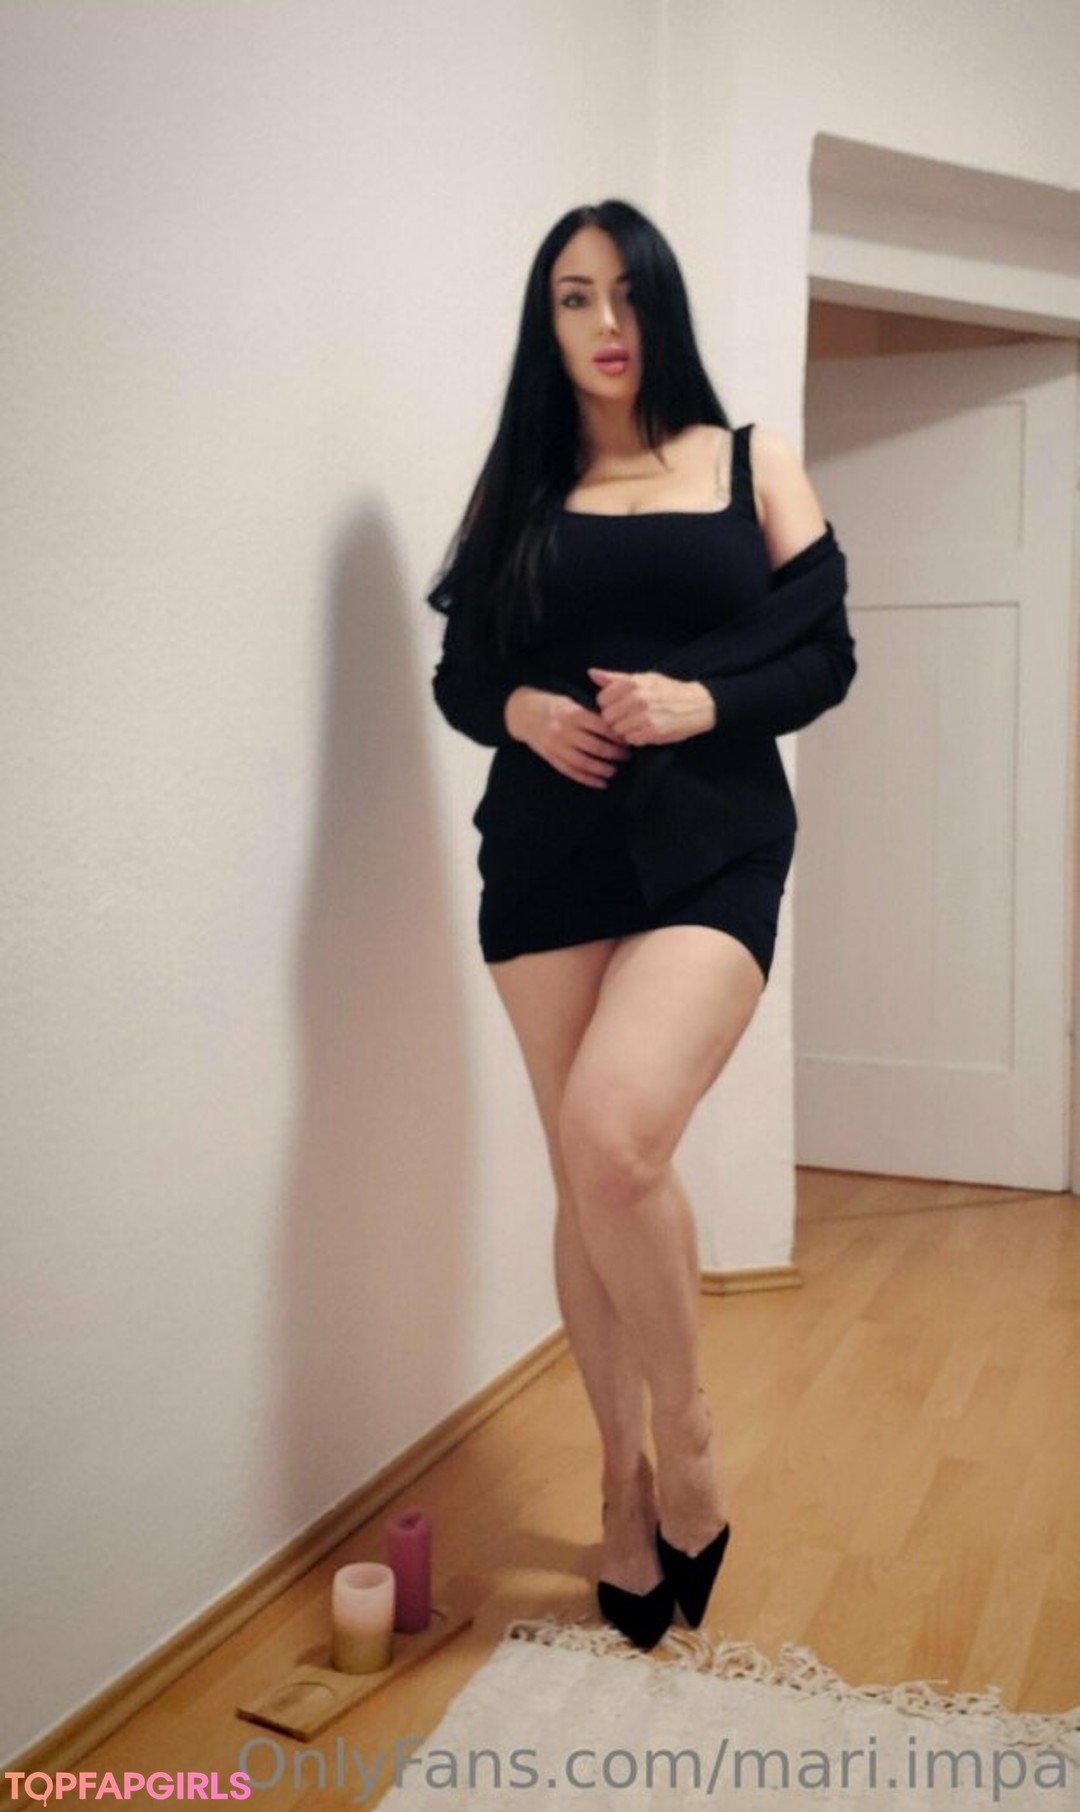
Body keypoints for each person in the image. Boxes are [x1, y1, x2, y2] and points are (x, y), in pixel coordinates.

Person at [428, 199, 855, 1649]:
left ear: (660, 307)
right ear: (545, 323)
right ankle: (619, 1482)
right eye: (573, 297)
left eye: (625, 294)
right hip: (547, 858)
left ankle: (688, 1437)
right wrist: (522, 711)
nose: (604, 324)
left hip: (712, 842)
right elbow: (462, 677)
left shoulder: (751, 462)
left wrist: (704, 700)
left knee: (615, 1134)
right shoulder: (523, 487)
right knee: (586, 1178)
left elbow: (826, 651)